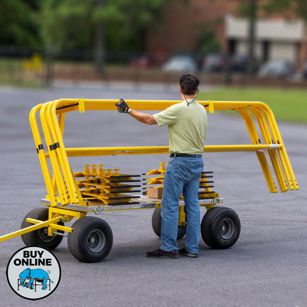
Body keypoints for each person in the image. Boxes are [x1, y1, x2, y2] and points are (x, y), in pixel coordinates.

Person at [115, 74, 208, 259]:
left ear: (180, 89)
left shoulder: (178, 109)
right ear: (197, 91)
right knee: (193, 205)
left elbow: (149, 120)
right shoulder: (202, 110)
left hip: (180, 161)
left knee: (170, 205)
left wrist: (128, 110)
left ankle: (168, 247)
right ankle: (192, 248)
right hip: (197, 161)